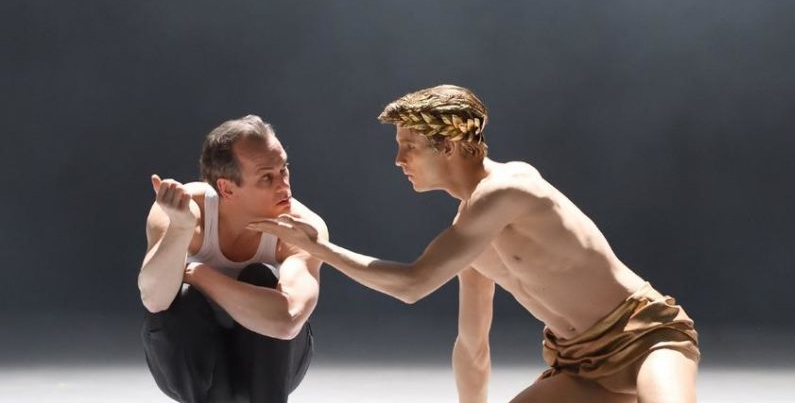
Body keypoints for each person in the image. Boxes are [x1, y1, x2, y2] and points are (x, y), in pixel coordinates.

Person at [251, 86, 699, 403]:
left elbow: (413, 284)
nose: (399, 159)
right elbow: (472, 344)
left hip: (648, 338)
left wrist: (321, 249)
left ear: (447, 146)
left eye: (409, 146)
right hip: (582, 364)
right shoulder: (470, 232)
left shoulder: (510, 188)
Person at [139, 115, 327, 403]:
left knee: (260, 277)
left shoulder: (302, 227)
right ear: (226, 188)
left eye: (284, 169)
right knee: (182, 297)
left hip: (269, 368)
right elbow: (154, 300)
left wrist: (201, 275)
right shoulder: (187, 210)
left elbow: (288, 320)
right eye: (267, 177)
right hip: (195, 366)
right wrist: (180, 229)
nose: (284, 186)